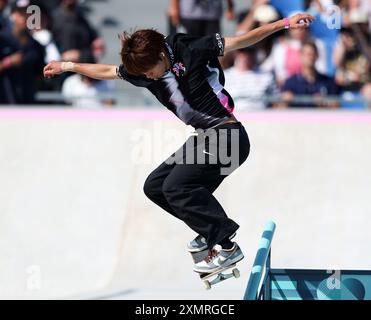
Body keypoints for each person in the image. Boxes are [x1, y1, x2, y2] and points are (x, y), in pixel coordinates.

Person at [44, 13, 315, 273]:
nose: (149, 78)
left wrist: (284, 23)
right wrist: (67, 66)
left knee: (176, 187)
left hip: (228, 137)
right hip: (205, 137)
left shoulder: (191, 49)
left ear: (162, 55)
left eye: (151, 72)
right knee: (155, 187)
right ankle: (207, 231)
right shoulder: (141, 69)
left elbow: (240, 40)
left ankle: (226, 245)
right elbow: (107, 70)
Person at [279, 41, 338, 108]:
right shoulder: (290, 82)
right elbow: (278, 109)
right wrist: (285, 102)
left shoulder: (327, 81)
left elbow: (336, 106)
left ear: (317, 56)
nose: (310, 57)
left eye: (312, 54)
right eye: (307, 54)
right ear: (300, 56)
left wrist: (325, 103)